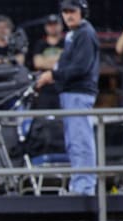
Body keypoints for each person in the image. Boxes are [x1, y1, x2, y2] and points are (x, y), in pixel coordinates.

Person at [35, 0, 99, 196]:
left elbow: (81, 67)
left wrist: (52, 75)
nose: (68, 16)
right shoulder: (73, 34)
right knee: (73, 142)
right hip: (70, 93)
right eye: (65, 12)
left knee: (81, 141)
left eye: (72, 11)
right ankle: (78, 184)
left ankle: (84, 187)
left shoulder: (85, 34)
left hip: (79, 93)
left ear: (82, 12)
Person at [32, 14, 65, 109]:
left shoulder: (66, 43)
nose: (53, 27)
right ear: (46, 27)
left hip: (62, 86)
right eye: (50, 25)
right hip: (44, 87)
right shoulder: (40, 44)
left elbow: (67, 62)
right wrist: (59, 59)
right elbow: (37, 63)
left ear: (61, 26)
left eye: (55, 24)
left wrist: (46, 61)